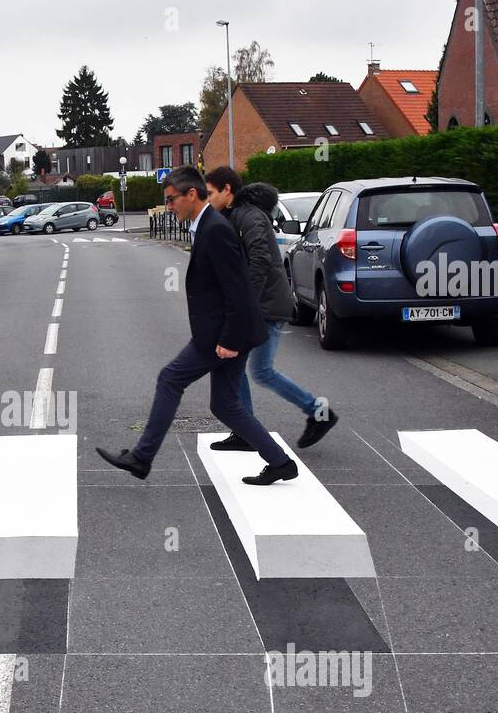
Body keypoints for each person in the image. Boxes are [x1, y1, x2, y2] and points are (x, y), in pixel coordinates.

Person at [96, 167, 298, 486]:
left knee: (170, 379)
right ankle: (280, 462)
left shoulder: (214, 228)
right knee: (225, 405)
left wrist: (230, 338)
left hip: (223, 334)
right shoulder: (205, 225)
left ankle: (141, 457)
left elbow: (238, 287)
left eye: (171, 199)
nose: (169, 206)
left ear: (192, 194)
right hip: (229, 331)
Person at [204, 168, 338, 451]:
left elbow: (261, 261)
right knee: (236, 366)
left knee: (261, 371)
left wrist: (245, 305)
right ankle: (245, 429)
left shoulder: (250, 216)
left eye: (211, 192)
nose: (208, 198)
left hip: (265, 307)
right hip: (259, 305)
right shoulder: (236, 215)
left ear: (227, 190)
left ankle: (318, 413)